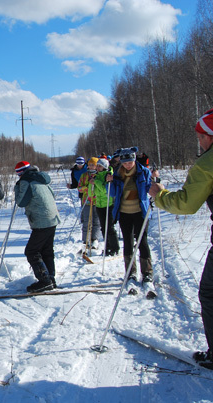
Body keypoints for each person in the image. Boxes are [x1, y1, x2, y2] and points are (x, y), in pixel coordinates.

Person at [148, 108, 213, 369]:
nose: (199, 142)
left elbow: (187, 203)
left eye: (200, 137)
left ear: (208, 136)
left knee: (209, 293)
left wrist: (160, 195)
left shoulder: (207, 163)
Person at [106, 146, 153, 283]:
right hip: (124, 213)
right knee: (128, 241)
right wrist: (109, 182)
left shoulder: (143, 172)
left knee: (142, 241)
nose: (127, 165)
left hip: (140, 212)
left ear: (134, 160)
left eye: (130, 162)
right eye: (125, 162)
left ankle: (147, 272)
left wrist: (155, 180)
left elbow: (149, 187)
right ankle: (130, 272)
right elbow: (112, 193)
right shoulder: (117, 174)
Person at [14, 161, 61, 292]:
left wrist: (17, 188)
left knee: (31, 251)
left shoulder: (26, 181)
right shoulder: (41, 178)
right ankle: (50, 279)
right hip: (52, 218)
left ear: (21, 173)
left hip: (42, 220)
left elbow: (21, 202)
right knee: (46, 250)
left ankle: (45, 280)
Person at [93, 158, 120, 256]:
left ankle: (115, 247)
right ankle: (107, 247)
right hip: (99, 205)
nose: (97, 167)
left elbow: (105, 190)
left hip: (109, 204)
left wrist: (96, 182)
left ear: (104, 167)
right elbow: (93, 193)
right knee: (103, 227)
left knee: (110, 227)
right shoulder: (96, 176)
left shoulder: (108, 175)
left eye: (100, 166)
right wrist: (91, 184)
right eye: (97, 166)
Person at [77, 157, 101, 248]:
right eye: (90, 165)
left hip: (97, 201)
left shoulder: (99, 175)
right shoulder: (84, 175)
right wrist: (87, 188)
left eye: (93, 165)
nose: (91, 166)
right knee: (87, 221)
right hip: (86, 201)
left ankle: (95, 239)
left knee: (96, 221)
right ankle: (86, 240)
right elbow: (79, 188)